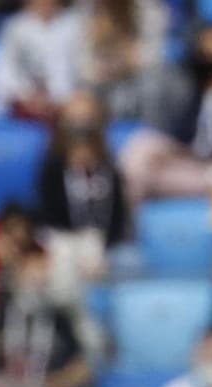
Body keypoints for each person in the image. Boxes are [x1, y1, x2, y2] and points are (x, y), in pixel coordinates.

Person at [121, 23, 212, 204]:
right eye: (208, 55)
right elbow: (179, 134)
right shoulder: (192, 90)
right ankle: (123, 222)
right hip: (191, 159)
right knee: (141, 148)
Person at [0, 237, 97, 387]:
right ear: (16, 272)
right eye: (29, 268)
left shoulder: (60, 318)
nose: (36, 276)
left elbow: (84, 372)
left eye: (42, 268)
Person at [35, 93, 132, 285]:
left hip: (99, 239)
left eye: (88, 139)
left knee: (92, 248)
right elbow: (48, 214)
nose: (82, 149)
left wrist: (102, 239)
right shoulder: (53, 171)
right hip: (63, 237)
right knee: (62, 256)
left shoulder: (109, 171)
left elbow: (118, 215)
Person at [0, 0, 84, 121]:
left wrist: (58, 99)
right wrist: (27, 97)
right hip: (22, 105)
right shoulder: (15, 27)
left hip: (67, 107)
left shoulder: (77, 25)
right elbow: (1, 77)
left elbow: (85, 74)